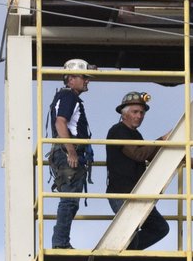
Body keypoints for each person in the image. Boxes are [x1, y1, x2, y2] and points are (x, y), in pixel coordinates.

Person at [104, 91, 171, 250]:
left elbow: (151, 154)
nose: (139, 116)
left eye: (142, 112)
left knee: (159, 228)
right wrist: (162, 140)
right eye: (135, 112)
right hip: (122, 195)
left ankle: (124, 252)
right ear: (124, 114)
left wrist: (186, 160)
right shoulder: (118, 131)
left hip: (136, 194)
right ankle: (123, 254)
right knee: (130, 235)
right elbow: (139, 154)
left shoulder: (135, 135)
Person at [47, 58, 93, 249]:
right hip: (68, 153)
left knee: (71, 200)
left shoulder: (66, 97)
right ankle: (60, 243)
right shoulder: (68, 97)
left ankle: (61, 241)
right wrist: (71, 151)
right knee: (69, 199)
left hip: (66, 153)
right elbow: (60, 122)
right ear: (71, 79)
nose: (87, 81)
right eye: (84, 77)